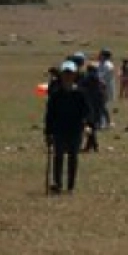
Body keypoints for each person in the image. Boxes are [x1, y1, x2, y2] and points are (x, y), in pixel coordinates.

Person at [45, 62, 92, 192]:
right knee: (58, 156)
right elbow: (49, 115)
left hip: (75, 130)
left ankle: (70, 186)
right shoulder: (56, 95)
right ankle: (58, 184)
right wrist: (48, 133)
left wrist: (87, 124)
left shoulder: (80, 94)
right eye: (65, 74)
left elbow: (87, 111)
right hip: (59, 130)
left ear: (74, 75)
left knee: (73, 157)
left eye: (70, 74)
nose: (67, 76)